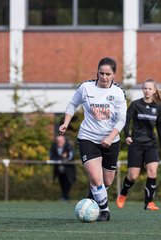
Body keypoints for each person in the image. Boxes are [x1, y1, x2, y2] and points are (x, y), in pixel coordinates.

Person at [59, 57, 127, 221]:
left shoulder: (118, 93)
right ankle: (104, 211)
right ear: (97, 72)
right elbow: (72, 105)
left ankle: (92, 197)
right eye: (101, 73)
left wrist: (110, 138)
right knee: (96, 178)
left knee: (107, 180)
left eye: (108, 74)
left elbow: (121, 119)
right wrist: (66, 123)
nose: (104, 77)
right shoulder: (85, 87)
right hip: (87, 137)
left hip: (111, 140)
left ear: (114, 75)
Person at [116, 78, 161, 211]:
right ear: (142, 90)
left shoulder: (157, 106)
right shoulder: (135, 105)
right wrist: (127, 136)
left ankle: (149, 202)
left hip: (151, 144)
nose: (147, 91)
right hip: (136, 144)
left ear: (154, 90)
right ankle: (123, 194)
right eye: (145, 88)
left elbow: (160, 127)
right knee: (133, 176)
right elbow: (126, 121)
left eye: (150, 88)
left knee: (152, 171)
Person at [49, 135, 76, 201]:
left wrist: (65, 158)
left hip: (68, 169)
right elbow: (52, 157)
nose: (59, 142)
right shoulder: (53, 146)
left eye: (61, 140)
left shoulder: (68, 146)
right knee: (61, 182)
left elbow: (71, 157)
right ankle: (64, 196)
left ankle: (65, 196)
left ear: (64, 140)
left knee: (68, 182)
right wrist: (62, 158)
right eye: (58, 141)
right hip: (58, 169)